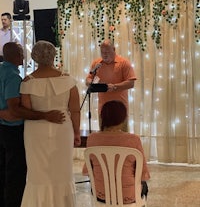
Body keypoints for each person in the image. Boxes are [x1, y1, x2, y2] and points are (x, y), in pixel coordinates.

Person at [0, 42, 65, 207]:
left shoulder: (5, 71)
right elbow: (15, 109)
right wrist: (45, 115)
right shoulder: (14, 76)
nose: (23, 56)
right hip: (13, 130)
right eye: (21, 53)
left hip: (3, 128)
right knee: (16, 171)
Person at [19, 40, 81, 207]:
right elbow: (75, 110)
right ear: (54, 55)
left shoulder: (27, 82)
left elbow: (28, 112)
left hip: (35, 131)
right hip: (63, 128)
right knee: (62, 171)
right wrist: (76, 132)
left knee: (37, 173)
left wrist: (44, 115)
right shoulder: (68, 81)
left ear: (34, 57)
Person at [82, 100, 150, 204]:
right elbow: (143, 173)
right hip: (128, 195)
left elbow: (87, 170)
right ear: (123, 118)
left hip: (101, 194)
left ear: (102, 117)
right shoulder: (133, 139)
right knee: (144, 185)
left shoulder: (92, 138)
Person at [86, 39, 136, 131]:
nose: (105, 54)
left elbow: (131, 83)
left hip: (120, 109)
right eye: (102, 52)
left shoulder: (124, 63)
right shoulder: (97, 64)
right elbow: (88, 79)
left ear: (114, 49)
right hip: (103, 110)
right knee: (105, 139)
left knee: (122, 139)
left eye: (107, 52)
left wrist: (115, 87)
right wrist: (90, 83)